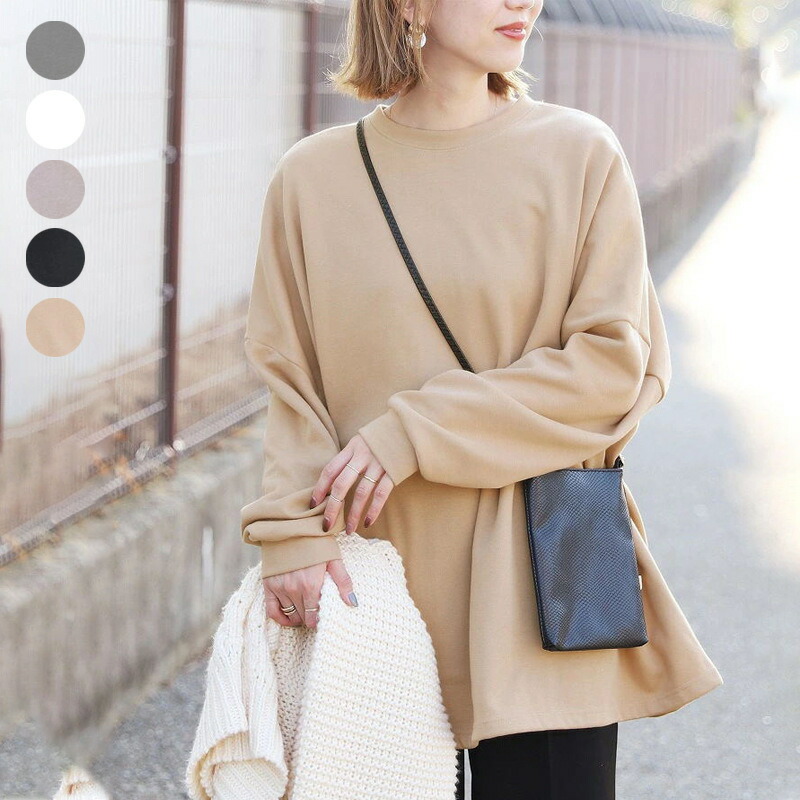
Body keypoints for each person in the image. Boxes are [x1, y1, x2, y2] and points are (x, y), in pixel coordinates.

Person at [240, 1, 724, 797]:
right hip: (374, 580)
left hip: (543, 579)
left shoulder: (579, 154)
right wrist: (290, 534)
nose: (522, 2)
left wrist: (412, 432)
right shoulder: (313, 178)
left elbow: (613, 368)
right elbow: (290, 377)